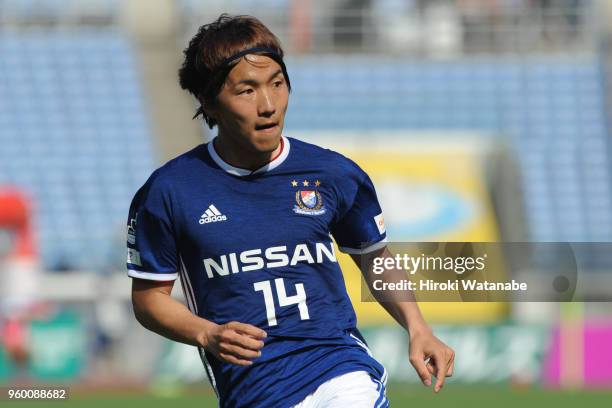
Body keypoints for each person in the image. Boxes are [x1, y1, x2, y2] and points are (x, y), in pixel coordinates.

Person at [127, 14, 454, 407]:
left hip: (340, 369)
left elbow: (374, 258)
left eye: (277, 84)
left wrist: (417, 327)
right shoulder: (169, 191)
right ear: (208, 101)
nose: (268, 105)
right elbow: (149, 300)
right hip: (253, 391)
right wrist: (206, 334)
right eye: (247, 90)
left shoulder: (332, 173)